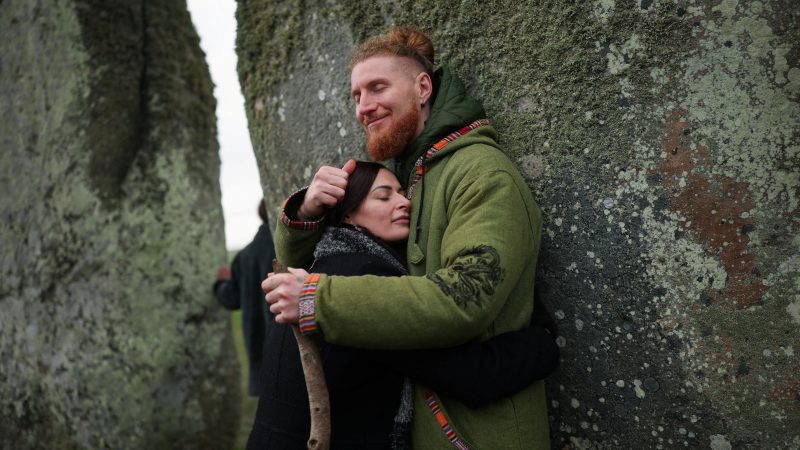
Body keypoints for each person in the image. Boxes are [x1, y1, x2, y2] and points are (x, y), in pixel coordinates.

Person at [265, 27, 550, 448]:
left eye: (377, 87)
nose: (364, 106)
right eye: (356, 95)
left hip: (481, 433)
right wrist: (307, 213)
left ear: (422, 87)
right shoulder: (408, 175)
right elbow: (317, 262)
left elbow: (466, 296)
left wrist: (317, 300)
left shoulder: (482, 174)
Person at [247, 161, 558, 449]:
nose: (404, 202)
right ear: (347, 215)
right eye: (384, 197)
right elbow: (473, 375)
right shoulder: (362, 276)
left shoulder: (325, 264)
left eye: (402, 193)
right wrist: (542, 339)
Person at [214, 199, 276, 396]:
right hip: (288, 344)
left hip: (259, 349)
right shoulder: (288, 246)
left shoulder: (245, 255)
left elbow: (231, 298)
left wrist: (220, 284)